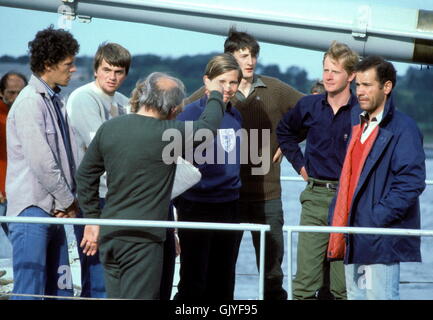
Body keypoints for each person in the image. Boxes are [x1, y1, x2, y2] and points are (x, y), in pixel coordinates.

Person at [75, 72, 228, 299]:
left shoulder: (110, 128)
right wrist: (216, 94)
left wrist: (92, 219)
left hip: (110, 234)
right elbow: (209, 126)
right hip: (142, 240)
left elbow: (85, 175)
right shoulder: (168, 134)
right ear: (172, 108)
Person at [185, 28, 303, 300]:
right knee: (223, 270)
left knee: (273, 272)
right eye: (243, 55)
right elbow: (180, 117)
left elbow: (311, 111)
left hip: (268, 194)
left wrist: (289, 143)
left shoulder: (275, 89)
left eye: (254, 55)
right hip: (229, 197)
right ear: (228, 58)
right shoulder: (215, 93)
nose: (250, 61)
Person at [327, 56, 426, 300]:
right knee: (356, 298)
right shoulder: (357, 124)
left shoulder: (404, 128)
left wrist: (375, 217)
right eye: (358, 85)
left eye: (368, 85)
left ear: (387, 87)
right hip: (353, 235)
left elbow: (411, 182)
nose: (360, 91)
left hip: (379, 239)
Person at [276, 41, 359, 300]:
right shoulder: (309, 106)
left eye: (335, 71)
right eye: (325, 70)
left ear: (351, 76)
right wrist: (301, 167)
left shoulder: (361, 112)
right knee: (304, 284)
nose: (328, 76)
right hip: (314, 197)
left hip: (350, 200)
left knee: (342, 286)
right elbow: (284, 132)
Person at [6, 26, 79, 299]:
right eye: (68, 64)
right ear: (48, 65)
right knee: (30, 292)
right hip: (32, 210)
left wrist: (68, 201)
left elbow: (69, 157)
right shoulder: (29, 103)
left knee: (58, 291)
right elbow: (42, 162)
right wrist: (68, 202)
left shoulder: (55, 101)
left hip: (52, 209)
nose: (73, 69)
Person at [174, 53, 242, 300]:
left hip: (230, 206)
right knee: (194, 280)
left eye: (233, 82)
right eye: (221, 81)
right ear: (207, 81)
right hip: (196, 205)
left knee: (224, 281)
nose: (227, 88)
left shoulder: (236, 116)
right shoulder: (188, 115)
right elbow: (172, 164)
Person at [66, 42, 131, 298]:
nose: (112, 77)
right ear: (96, 70)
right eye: (107, 70)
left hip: (120, 197)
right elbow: (100, 146)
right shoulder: (83, 97)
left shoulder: (124, 102)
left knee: (116, 275)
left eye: (118, 71)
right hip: (94, 197)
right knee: (97, 276)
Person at [0, 72, 27, 236]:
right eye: (11, 92)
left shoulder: (28, 114)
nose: (16, 97)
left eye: (20, 92)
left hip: (19, 192)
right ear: (1, 93)